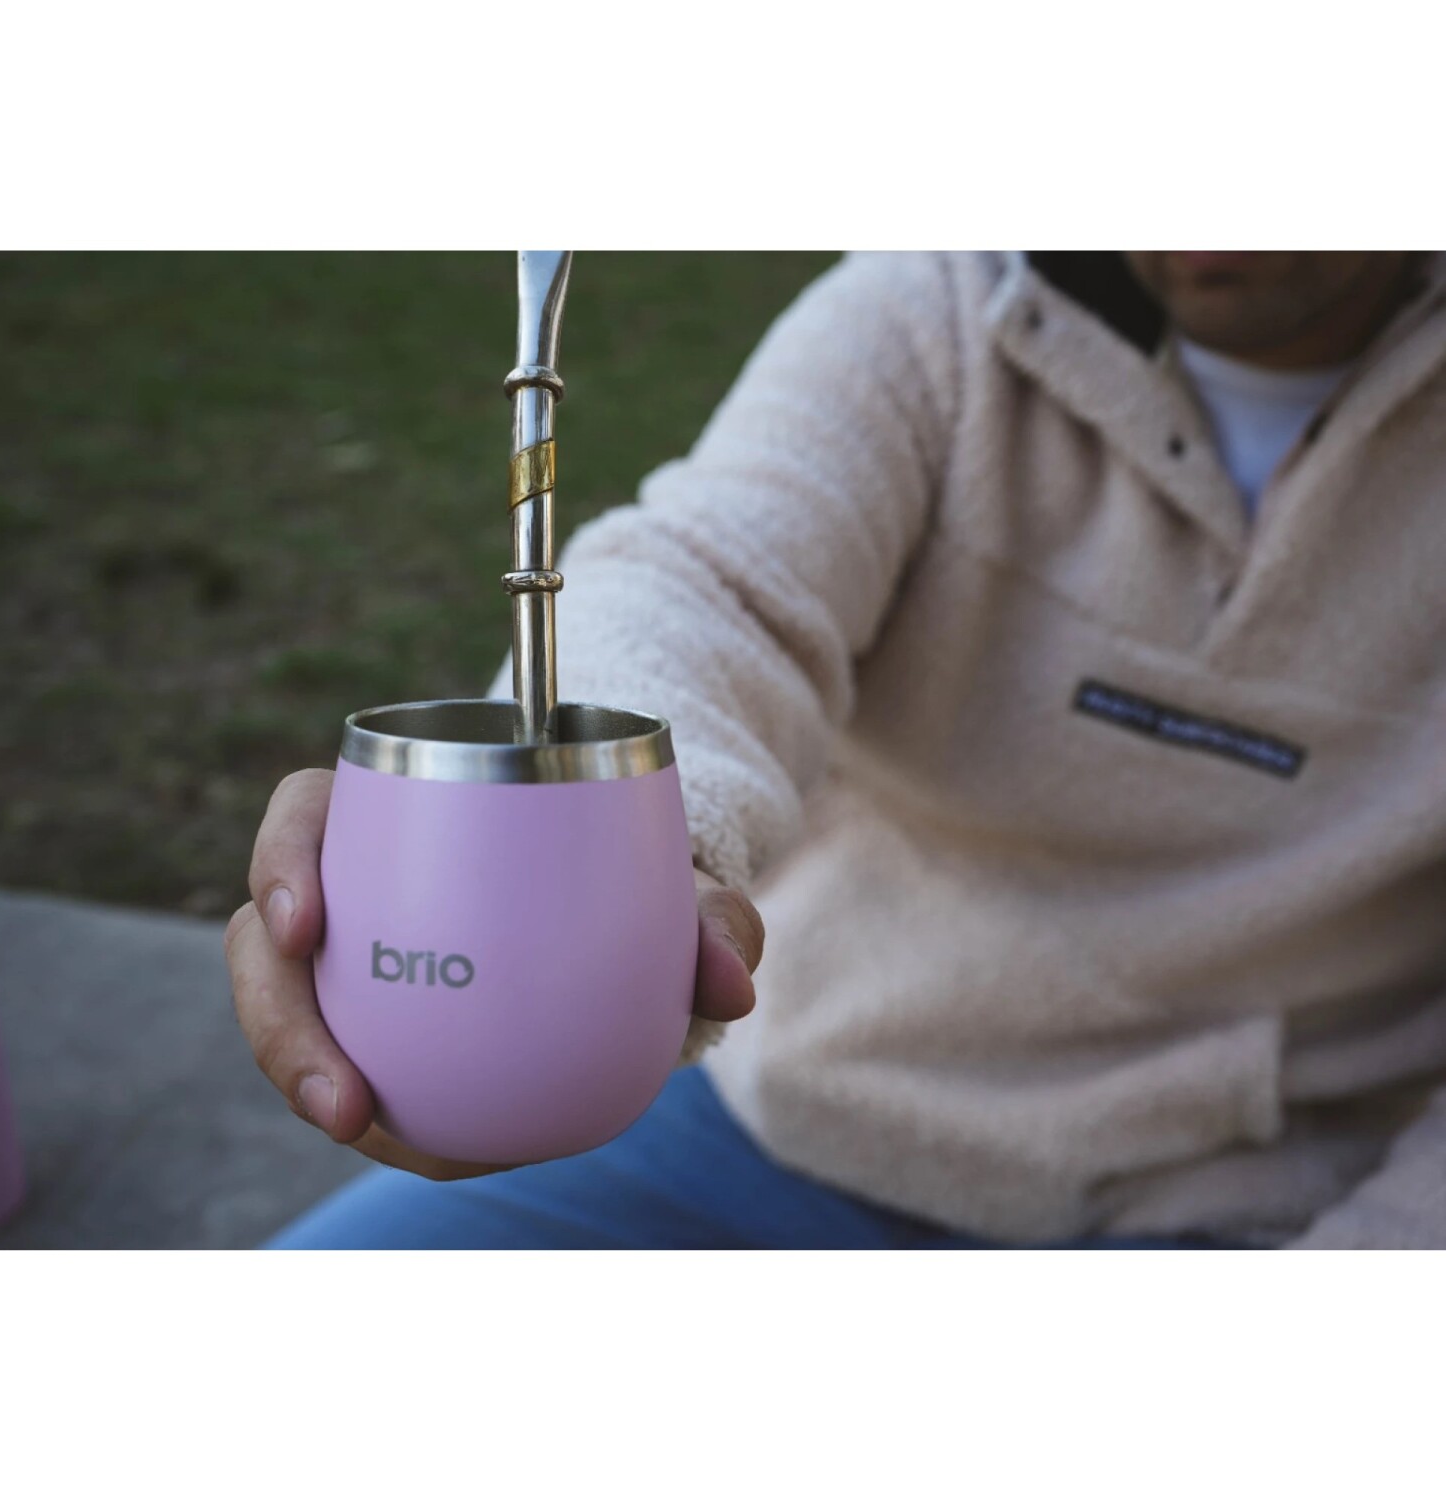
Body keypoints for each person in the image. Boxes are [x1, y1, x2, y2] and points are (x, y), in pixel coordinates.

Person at [226, 251, 1446, 1249]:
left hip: (1244, 1210)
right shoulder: (941, 308)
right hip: (779, 1122)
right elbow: (708, 581)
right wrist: (615, 856)